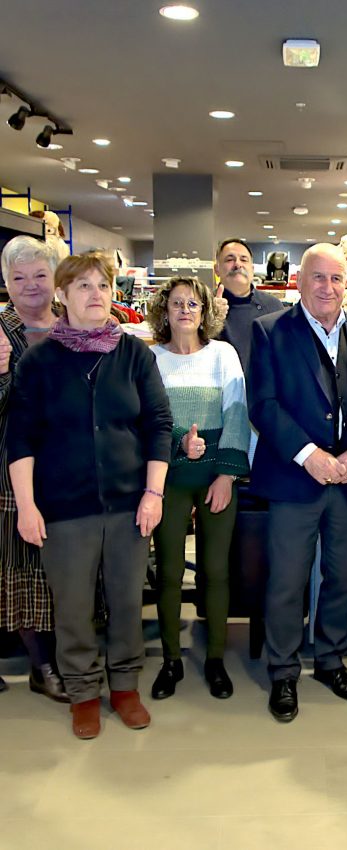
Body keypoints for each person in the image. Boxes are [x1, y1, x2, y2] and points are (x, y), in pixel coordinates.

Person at [8, 252, 172, 739]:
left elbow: (158, 425)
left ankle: (124, 687)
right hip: (63, 509)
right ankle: (82, 692)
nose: (95, 294)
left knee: (125, 601)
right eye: (83, 286)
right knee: (73, 607)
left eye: (102, 285)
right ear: (62, 296)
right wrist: (27, 506)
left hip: (127, 505)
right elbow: (21, 438)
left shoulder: (134, 354)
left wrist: (153, 493)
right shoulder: (39, 361)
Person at [248, 243, 347, 722]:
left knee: (343, 576)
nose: (328, 287)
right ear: (299, 281)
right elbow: (264, 404)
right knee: (287, 579)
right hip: (293, 479)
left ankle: (330, 659)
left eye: (337, 278)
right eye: (318, 278)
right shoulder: (270, 331)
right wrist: (309, 455)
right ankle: (283, 671)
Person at [148, 277, 250, 700]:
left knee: (217, 571)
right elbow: (147, 422)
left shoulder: (223, 355)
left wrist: (226, 475)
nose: (185, 310)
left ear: (206, 310)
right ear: (164, 311)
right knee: (169, 571)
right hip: (168, 481)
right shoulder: (150, 358)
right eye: (176, 303)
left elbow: (238, 415)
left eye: (193, 303)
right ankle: (171, 659)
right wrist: (179, 444)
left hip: (216, 481)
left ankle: (215, 660)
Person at [0, 236, 66, 700]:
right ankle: (44, 667)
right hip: (11, 471)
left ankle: (63, 658)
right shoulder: (1, 333)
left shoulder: (74, 324)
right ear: (6, 283)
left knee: (61, 567)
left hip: (68, 470)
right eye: (19, 278)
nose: (30, 287)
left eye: (40, 275)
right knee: (20, 566)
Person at [215, 239, 285, 374]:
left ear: (252, 269)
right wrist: (210, 321)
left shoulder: (273, 306)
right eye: (230, 259)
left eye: (244, 260)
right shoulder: (201, 307)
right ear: (217, 269)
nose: (237, 264)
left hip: (262, 390)